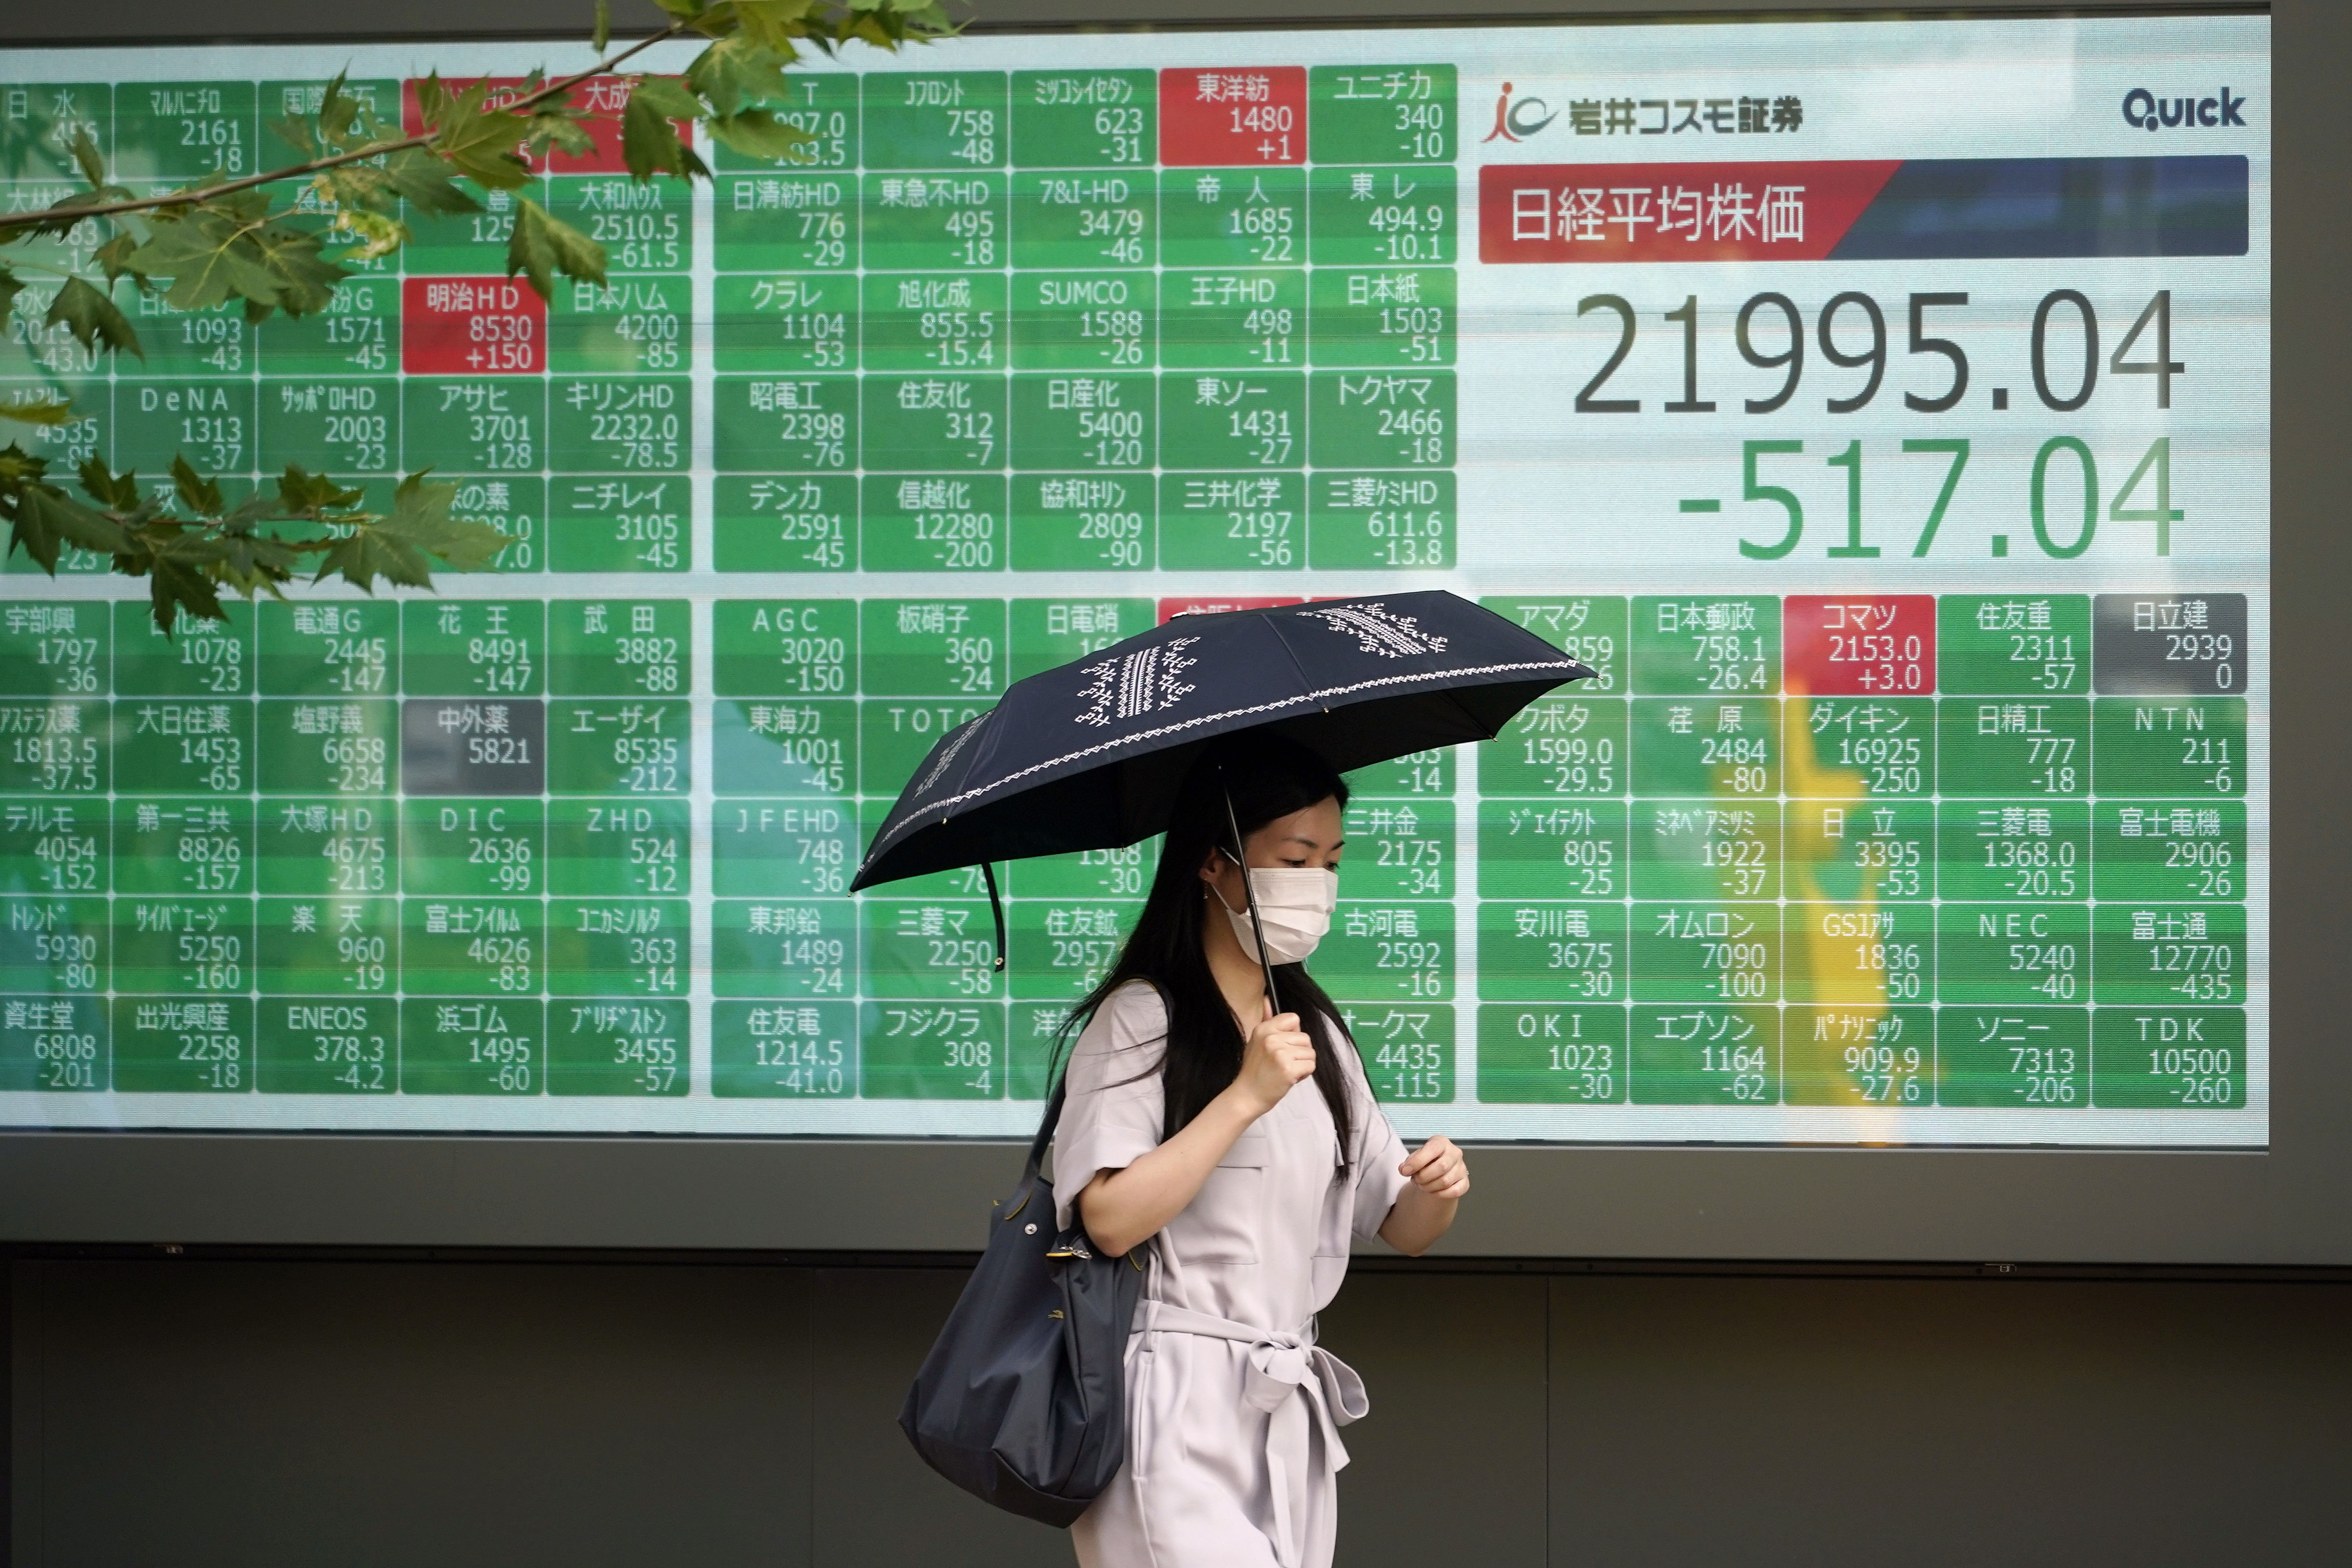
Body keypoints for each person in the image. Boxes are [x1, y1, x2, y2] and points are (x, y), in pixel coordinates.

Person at [1050, 735, 1470, 1568]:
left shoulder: (1312, 1032)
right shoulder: (1144, 1019)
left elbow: (1403, 1223)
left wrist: (1440, 1185)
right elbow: (1106, 1217)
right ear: (1216, 864)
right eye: (1294, 857)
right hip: (1169, 1399)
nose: (1317, 884)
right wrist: (1243, 1098)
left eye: (1332, 862)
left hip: (1284, 1406)